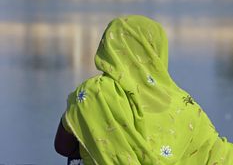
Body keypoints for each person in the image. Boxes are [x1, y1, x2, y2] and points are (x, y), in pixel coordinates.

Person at [54, 15, 233, 164]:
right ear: (157, 52)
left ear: (108, 47)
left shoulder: (94, 93)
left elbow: (62, 147)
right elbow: (215, 153)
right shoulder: (184, 105)